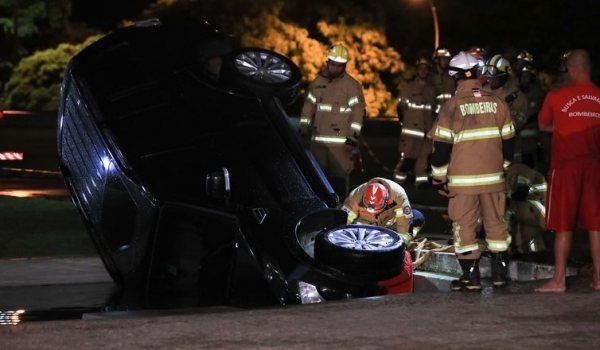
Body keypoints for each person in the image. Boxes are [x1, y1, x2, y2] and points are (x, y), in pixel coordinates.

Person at [430, 51, 516, 291]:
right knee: (497, 225)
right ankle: (500, 274)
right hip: (494, 180)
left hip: (463, 182)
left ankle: (471, 277)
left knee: (464, 226)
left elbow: (441, 149)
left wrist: (438, 179)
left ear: (454, 77)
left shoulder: (451, 106)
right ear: (478, 74)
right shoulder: (498, 102)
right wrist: (503, 168)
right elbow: (509, 142)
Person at [535, 49, 600, 293]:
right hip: (594, 166)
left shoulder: (556, 96)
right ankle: (599, 279)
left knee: (563, 225)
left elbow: (543, 124)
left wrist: (561, 126)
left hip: (565, 168)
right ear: (588, 68)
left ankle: (559, 280)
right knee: (596, 225)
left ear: (571, 68)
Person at [299, 43, 366, 200]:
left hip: (341, 146)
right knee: (318, 181)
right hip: (318, 144)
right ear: (327, 62)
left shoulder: (352, 86)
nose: (336, 68)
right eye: (333, 64)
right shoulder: (316, 83)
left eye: (340, 66)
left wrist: (352, 138)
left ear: (345, 66)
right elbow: (308, 109)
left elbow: (358, 113)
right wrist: (302, 131)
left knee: (339, 182)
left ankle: (340, 212)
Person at [394, 57, 436, 189]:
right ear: (417, 70)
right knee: (407, 160)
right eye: (420, 68)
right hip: (411, 132)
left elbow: (433, 111)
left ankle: (421, 183)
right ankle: (397, 183)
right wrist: (405, 124)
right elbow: (400, 107)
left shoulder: (431, 90)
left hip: (427, 132)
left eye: (425, 68)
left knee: (423, 160)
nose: (423, 71)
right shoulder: (409, 88)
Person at [341, 177, 421, 246]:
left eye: (377, 207)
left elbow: (403, 222)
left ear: (386, 200)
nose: (373, 212)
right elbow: (344, 218)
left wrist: (402, 245)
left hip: (387, 228)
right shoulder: (356, 195)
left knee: (418, 217)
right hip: (363, 229)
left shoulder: (398, 196)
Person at [482, 54, 529, 163]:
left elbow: (514, 126)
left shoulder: (517, 96)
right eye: (488, 75)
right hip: (484, 153)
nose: (489, 79)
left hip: (508, 155)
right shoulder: (482, 90)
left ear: (503, 76)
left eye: (493, 77)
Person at [504, 162, 548, 255]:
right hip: (538, 211)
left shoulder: (518, 168)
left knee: (506, 212)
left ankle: (511, 250)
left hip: (538, 210)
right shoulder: (511, 170)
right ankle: (534, 253)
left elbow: (521, 192)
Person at [518, 65, 547, 170]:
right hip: (520, 134)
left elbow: (531, 112)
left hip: (531, 132)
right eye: (522, 76)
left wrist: (516, 122)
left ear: (532, 78)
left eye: (526, 76)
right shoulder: (518, 92)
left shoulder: (537, 93)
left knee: (529, 160)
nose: (523, 79)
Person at [430, 47, 456, 115]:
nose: (446, 61)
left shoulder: (451, 78)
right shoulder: (430, 79)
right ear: (436, 60)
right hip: (434, 117)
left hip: (449, 116)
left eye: (447, 59)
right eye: (443, 58)